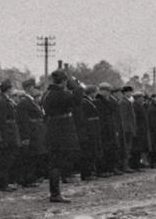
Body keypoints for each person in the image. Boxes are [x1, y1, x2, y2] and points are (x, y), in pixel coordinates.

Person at [42, 69, 81, 203]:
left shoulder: (47, 94)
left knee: (54, 162)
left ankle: (55, 192)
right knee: (57, 163)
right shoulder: (61, 94)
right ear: (63, 81)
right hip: (62, 130)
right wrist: (76, 86)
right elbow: (77, 100)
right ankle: (55, 193)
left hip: (52, 128)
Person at [15, 78, 46, 187]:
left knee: (34, 156)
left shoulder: (32, 102)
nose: (34, 89)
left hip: (36, 132)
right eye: (32, 87)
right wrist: (25, 136)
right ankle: (27, 179)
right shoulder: (24, 103)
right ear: (28, 88)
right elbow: (22, 121)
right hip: (31, 133)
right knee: (29, 157)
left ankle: (32, 177)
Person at [0, 79, 20, 192]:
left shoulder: (6, 101)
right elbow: (1, 121)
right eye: (11, 88)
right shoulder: (1, 102)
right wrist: (3, 137)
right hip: (7, 134)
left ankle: (6, 182)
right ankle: (3, 184)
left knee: (9, 159)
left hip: (11, 132)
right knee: (4, 160)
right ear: (8, 89)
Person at [78, 84, 103, 180]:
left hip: (94, 128)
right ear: (91, 92)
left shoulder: (90, 101)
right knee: (87, 153)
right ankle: (86, 173)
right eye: (94, 92)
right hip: (89, 129)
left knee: (92, 152)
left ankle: (91, 171)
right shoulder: (84, 102)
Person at [95, 83, 119, 176]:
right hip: (103, 128)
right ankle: (102, 170)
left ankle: (110, 168)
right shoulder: (98, 101)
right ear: (103, 91)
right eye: (108, 91)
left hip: (110, 127)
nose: (109, 93)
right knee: (103, 150)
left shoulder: (109, 101)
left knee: (111, 149)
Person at [118, 86, 137, 172]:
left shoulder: (127, 101)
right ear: (125, 92)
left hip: (129, 127)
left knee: (128, 147)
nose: (130, 93)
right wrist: (126, 128)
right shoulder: (123, 102)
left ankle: (126, 165)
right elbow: (123, 117)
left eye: (131, 92)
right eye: (129, 92)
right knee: (126, 148)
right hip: (126, 128)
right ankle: (124, 166)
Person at [129, 90, 150, 170]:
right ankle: (135, 165)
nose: (143, 99)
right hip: (138, 130)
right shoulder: (134, 106)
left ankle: (137, 164)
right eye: (141, 98)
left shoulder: (141, 106)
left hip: (142, 129)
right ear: (137, 98)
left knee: (140, 147)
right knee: (136, 148)